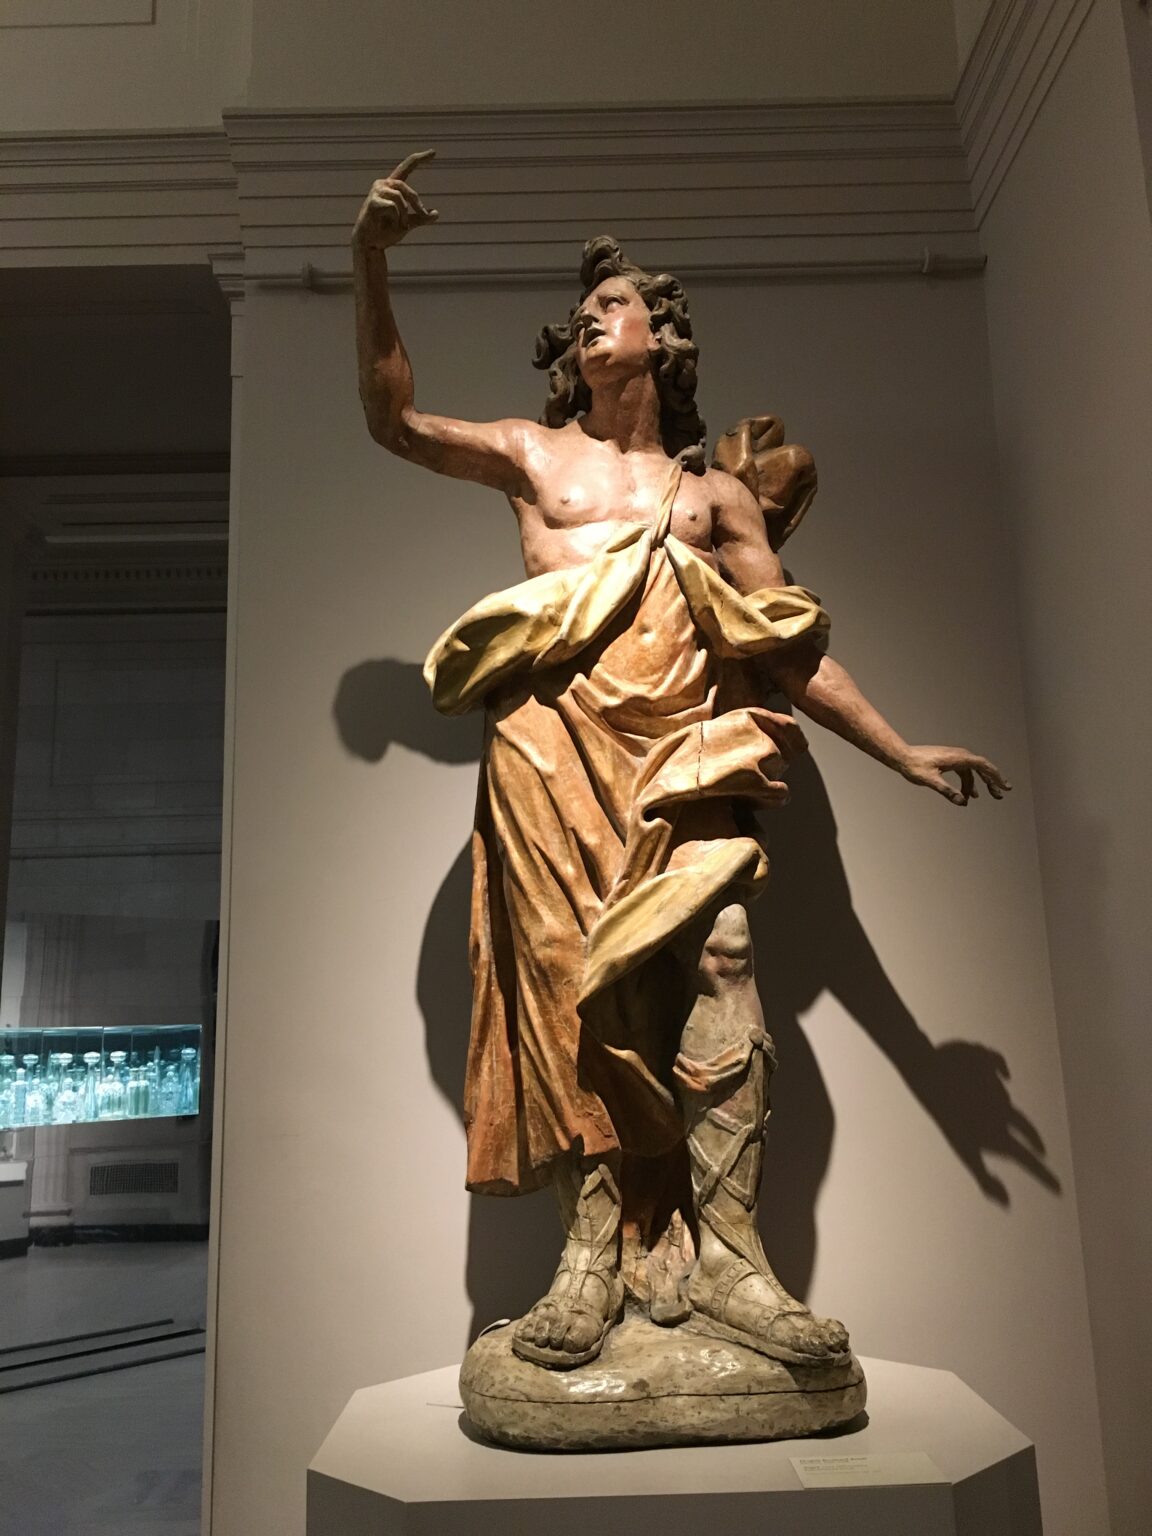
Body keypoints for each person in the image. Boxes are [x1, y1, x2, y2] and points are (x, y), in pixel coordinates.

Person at [353, 151, 1010, 1372]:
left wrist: (899, 750)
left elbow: (787, 653)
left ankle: (734, 1262)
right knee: (575, 998)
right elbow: (395, 422)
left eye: (613, 304)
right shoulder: (533, 455)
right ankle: (591, 1254)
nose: (591, 319)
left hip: (685, 760)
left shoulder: (716, 502)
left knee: (725, 959)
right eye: (583, 313)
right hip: (551, 760)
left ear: (661, 334)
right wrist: (369, 263)